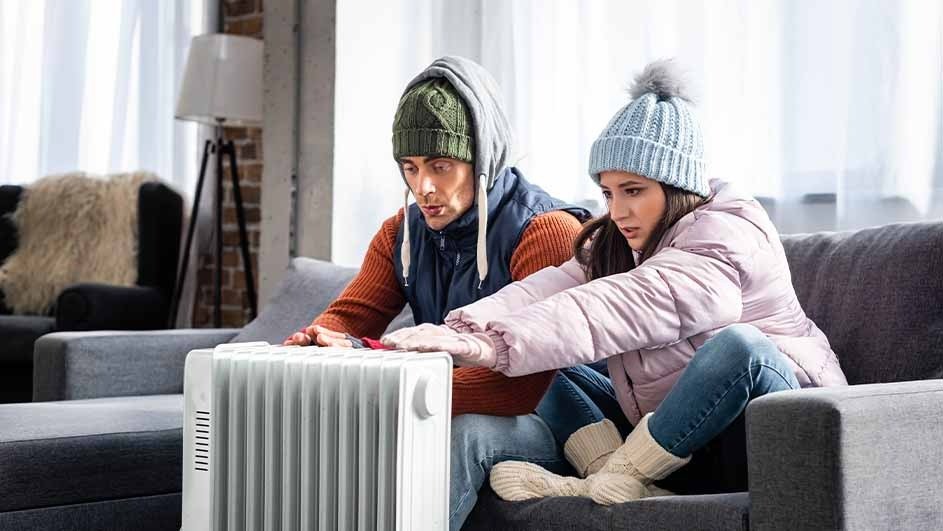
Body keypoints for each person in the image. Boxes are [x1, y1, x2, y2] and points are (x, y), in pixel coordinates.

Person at [382, 59, 848, 505]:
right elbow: (547, 289)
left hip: (766, 430)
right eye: (608, 193)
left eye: (634, 191)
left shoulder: (726, 233)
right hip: (674, 440)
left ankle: (615, 478)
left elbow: (617, 306)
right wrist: (462, 331)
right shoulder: (624, 240)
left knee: (741, 348)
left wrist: (494, 347)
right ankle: (614, 479)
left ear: (677, 185)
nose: (618, 210)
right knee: (546, 358)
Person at [283, 55, 591, 528]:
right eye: (410, 167)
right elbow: (349, 317)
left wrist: (392, 386)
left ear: (481, 158)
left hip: (563, 419)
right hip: (442, 396)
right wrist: (316, 341)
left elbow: (526, 386)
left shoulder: (544, 230)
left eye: (441, 166)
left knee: (463, 433)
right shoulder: (401, 234)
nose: (423, 186)